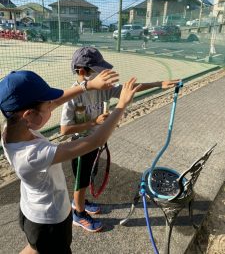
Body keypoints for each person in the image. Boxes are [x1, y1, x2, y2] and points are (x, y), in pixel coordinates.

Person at [0, 69, 140, 254]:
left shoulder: (11, 128)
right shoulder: (33, 155)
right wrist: (121, 105)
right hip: (50, 222)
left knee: (34, 247)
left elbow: (58, 100)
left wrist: (88, 85)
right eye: (48, 105)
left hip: (30, 211)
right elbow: (94, 141)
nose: (53, 105)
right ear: (29, 115)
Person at [60, 46, 180, 232]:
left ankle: (80, 202)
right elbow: (65, 129)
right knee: (81, 181)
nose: (104, 78)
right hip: (80, 146)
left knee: (89, 177)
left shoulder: (102, 90)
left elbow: (129, 88)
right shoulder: (73, 96)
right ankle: (78, 214)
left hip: (97, 143)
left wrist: (159, 83)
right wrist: (93, 123)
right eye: (99, 73)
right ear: (82, 71)